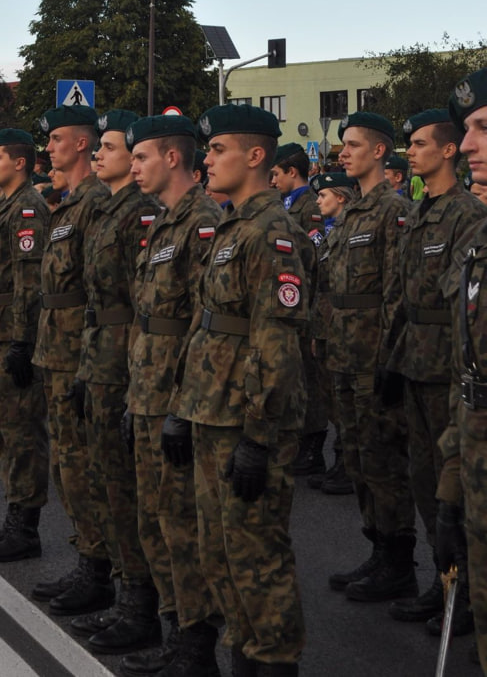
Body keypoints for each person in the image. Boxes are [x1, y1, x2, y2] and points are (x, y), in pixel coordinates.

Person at [171, 103, 308, 677]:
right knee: (220, 554)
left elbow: (275, 341)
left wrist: (258, 433)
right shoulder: (234, 224)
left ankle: (273, 662)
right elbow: (207, 325)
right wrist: (183, 406)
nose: (208, 158)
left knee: (257, 557)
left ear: (255, 156)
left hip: (246, 420)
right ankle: (244, 658)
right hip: (212, 411)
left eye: (218, 148)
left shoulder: (274, 232)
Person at [123, 113, 221, 677]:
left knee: (182, 524)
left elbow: (200, 325)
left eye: (141, 157)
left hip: (176, 397)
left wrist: (182, 405)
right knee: (157, 517)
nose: (134, 166)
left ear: (172, 159)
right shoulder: (164, 221)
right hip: (148, 390)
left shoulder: (201, 222)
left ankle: (195, 642)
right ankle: (174, 629)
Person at [384, 108, 486, 634]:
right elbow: (404, 295)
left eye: (421, 144)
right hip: (416, 361)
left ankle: (468, 591)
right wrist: (390, 356)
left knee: (456, 489)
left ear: (448, 150)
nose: (411, 152)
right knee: (426, 483)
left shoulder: (467, 212)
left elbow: (464, 303)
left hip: (450, 366)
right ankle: (445, 580)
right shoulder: (420, 212)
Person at [71, 110, 161, 657]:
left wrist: (130, 380)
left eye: (109, 146)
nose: (98, 155)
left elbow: (139, 306)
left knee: (126, 489)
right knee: (104, 479)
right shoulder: (106, 211)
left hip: (123, 364)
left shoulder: (139, 216)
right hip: (98, 358)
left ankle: (140, 603)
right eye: (98, 146)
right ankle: (122, 589)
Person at [327, 111, 416, 602]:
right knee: (359, 460)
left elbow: (395, 294)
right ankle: (378, 549)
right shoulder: (352, 213)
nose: (344, 152)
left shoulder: (391, 211)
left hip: (371, 357)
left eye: (354, 145)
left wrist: (388, 359)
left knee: (383, 461)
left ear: (380, 151)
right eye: (344, 145)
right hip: (344, 355)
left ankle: (400, 562)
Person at [31, 105, 111, 616]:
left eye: (58, 139)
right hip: (56, 348)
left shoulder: (95, 204)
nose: (49, 148)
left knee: (83, 466)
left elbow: (99, 294)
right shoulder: (69, 203)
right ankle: (88, 559)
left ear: (82, 144)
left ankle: (98, 569)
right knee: (66, 463)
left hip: (79, 351)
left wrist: (88, 363)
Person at [0, 128, 49, 560]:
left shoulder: (28, 210)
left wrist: (23, 339)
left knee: (21, 432)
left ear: (20, 163)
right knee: (2, 430)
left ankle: (26, 527)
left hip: (11, 333)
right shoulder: (3, 206)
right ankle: (13, 516)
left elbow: (28, 282)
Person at [437, 69, 487, 674]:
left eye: (483, 129)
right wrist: (452, 491)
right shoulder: (479, 242)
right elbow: (469, 376)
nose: (469, 145)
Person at [271, 143, 325, 478]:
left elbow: (314, 258)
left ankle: (314, 445)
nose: (272, 180)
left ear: (293, 171)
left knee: (310, 377)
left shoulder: (310, 206)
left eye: (276, 174)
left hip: (304, 304)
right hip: (288, 304)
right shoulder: (284, 204)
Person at [305, 172, 357, 497]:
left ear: (340, 197)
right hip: (324, 328)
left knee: (344, 403)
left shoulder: (350, 232)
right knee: (330, 399)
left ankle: (347, 466)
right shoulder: (330, 235)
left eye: (323, 195)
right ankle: (341, 462)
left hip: (344, 331)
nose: (318, 202)